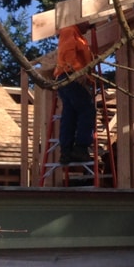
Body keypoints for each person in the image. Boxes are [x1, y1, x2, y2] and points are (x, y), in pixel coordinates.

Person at [55, 24, 96, 164]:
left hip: (67, 78)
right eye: (88, 22)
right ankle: (80, 148)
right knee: (87, 109)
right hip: (71, 76)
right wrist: (78, 72)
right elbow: (68, 53)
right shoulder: (69, 30)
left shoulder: (80, 37)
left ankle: (66, 152)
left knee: (70, 114)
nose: (90, 25)